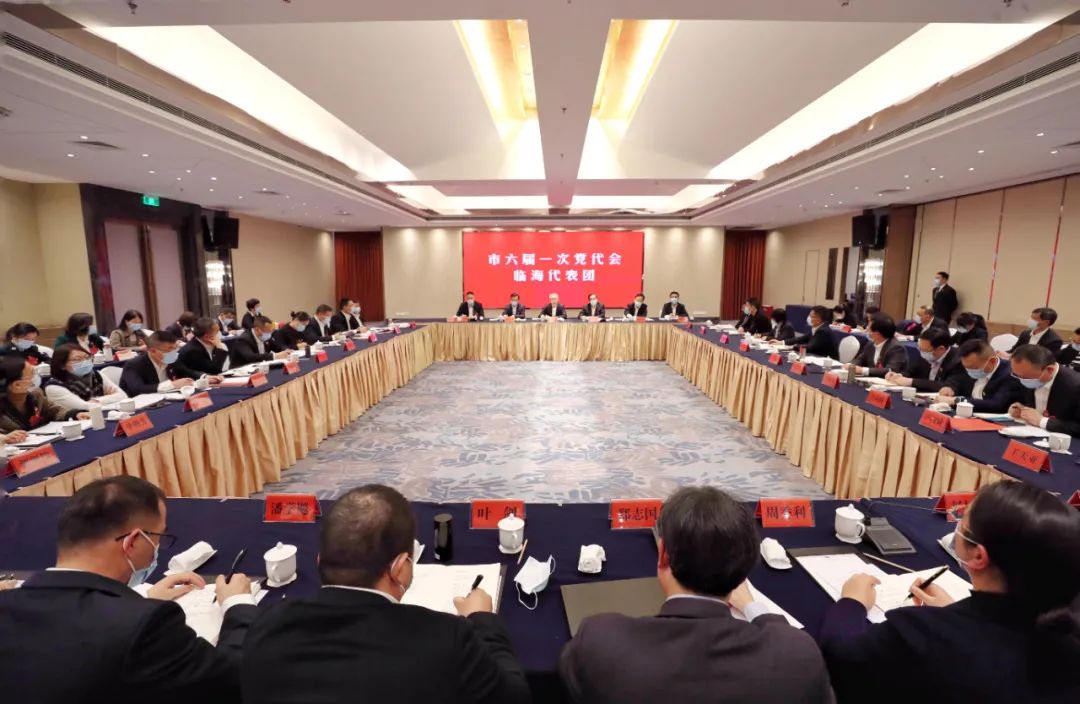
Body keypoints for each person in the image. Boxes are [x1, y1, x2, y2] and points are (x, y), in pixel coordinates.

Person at [240, 484, 530, 704]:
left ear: (319, 561)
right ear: (400, 569)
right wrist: (483, 619)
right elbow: (515, 697)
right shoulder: (446, 638)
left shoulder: (267, 625)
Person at [560, 486, 833, 704]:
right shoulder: (797, 655)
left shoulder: (600, 641)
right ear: (746, 569)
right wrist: (753, 608)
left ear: (663, 555)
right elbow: (784, 638)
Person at [0, 476, 259, 702]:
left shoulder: (9, 604)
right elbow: (234, 680)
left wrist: (141, 597)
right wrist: (237, 604)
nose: (157, 549)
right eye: (158, 538)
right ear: (133, 542)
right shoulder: (146, 626)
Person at [819, 481, 1080, 704]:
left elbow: (841, 656)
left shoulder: (923, 632)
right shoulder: (1066, 636)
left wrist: (851, 602)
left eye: (963, 523)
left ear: (979, 556)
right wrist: (956, 616)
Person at [0, 355, 88, 433]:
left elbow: (54, 411)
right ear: (17, 385)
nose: (36, 376)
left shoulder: (36, 394)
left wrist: (74, 414)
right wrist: (5, 438)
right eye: (32, 373)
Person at [1007, 343, 1080, 436]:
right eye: (1017, 375)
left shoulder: (1075, 386)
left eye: (1026, 377)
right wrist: (1022, 410)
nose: (1022, 380)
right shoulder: (1028, 374)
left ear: (1050, 370)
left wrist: (1043, 421)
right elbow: (1034, 406)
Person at [938, 339, 1028, 413]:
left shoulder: (1010, 374)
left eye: (974, 368)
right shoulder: (969, 364)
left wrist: (957, 401)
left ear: (992, 361)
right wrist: (949, 388)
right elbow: (956, 380)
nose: (969, 371)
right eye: (966, 367)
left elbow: (996, 404)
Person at [44, 344, 128, 413]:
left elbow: (123, 395)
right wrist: (109, 398)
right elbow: (85, 407)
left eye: (87, 357)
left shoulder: (96, 375)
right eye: (77, 359)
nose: (84, 361)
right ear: (62, 365)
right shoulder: (54, 387)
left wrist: (96, 401)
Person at [118, 331, 199, 396]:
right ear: (153, 351)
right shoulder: (133, 365)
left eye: (175, 348)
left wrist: (203, 377)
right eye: (169, 349)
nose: (173, 353)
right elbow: (138, 389)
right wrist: (172, 385)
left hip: (167, 397)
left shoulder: (171, 359)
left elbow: (186, 371)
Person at [885, 329, 966, 392]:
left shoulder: (958, 361)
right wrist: (899, 375)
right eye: (920, 349)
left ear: (941, 349)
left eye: (924, 351)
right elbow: (911, 371)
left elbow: (947, 386)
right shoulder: (925, 352)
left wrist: (912, 382)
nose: (922, 353)